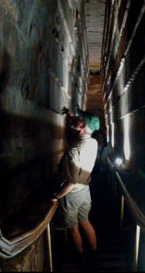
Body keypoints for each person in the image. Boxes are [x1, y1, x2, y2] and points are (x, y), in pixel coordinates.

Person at [51, 106, 100, 265]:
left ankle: (79, 257)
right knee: (85, 221)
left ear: (83, 126)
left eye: (80, 119)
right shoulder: (93, 142)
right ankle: (94, 254)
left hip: (72, 194)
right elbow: (75, 133)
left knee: (73, 228)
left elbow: (71, 182)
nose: (76, 119)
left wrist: (56, 196)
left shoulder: (74, 150)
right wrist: (70, 116)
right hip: (85, 191)